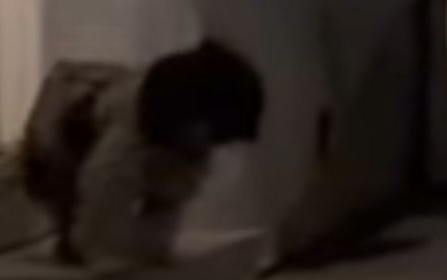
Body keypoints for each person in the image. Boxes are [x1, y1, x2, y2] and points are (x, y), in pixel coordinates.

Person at [20, 40, 266, 268]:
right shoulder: (128, 134)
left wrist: (152, 246)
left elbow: (175, 192)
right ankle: (76, 241)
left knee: (171, 181)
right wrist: (101, 248)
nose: (214, 146)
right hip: (65, 136)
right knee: (92, 189)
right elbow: (102, 186)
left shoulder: (184, 134)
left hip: (135, 120)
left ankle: (97, 242)